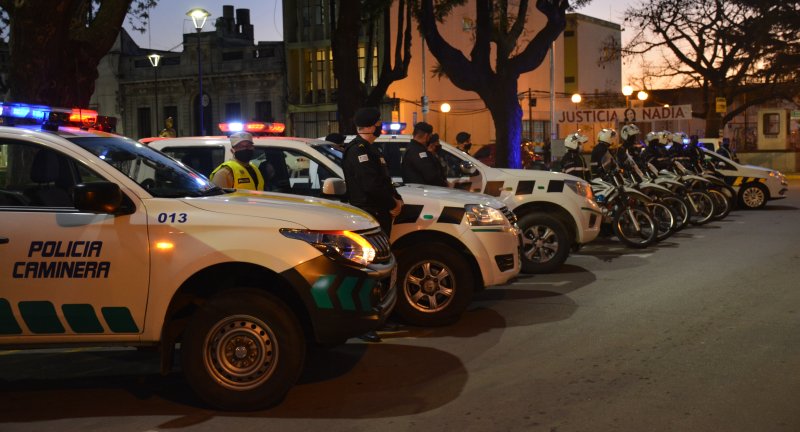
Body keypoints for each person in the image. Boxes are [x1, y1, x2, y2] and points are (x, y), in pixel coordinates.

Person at [342, 107, 403, 343]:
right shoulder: (358, 150)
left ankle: (380, 316)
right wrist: (391, 203)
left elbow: (384, 181)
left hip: (380, 213)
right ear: (369, 126)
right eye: (378, 123)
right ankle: (364, 322)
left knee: (382, 269)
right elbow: (370, 186)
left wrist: (397, 200)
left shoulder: (371, 149)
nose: (380, 126)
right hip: (369, 214)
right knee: (369, 271)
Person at [401, 122, 447, 187]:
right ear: (426, 136)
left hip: (416, 190)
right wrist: (446, 185)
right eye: (430, 136)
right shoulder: (418, 151)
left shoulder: (411, 148)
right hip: (421, 190)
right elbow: (431, 175)